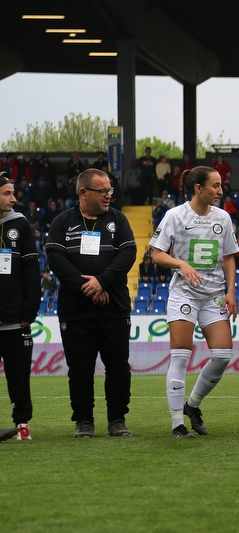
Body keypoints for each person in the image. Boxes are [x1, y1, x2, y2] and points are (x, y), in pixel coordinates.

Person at [46, 169, 137, 437]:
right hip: (75, 309)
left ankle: (117, 420)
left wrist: (103, 282)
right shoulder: (62, 222)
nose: (109, 195)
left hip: (114, 306)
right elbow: (55, 258)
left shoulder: (118, 220)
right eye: (103, 191)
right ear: (83, 193)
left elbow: (128, 254)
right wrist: (87, 286)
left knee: (118, 366)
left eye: (110, 190)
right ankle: (84, 421)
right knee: (80, 368)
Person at [150, 166, 239, 438]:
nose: (220, 191)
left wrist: (232, 291)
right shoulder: (174, 216)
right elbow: (156, 254)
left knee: (223, 355)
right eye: (215, 186)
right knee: (181, 355)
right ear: (198, 188)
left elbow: (228, 256)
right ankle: (178, 423)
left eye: (221, 185)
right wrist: (181, 263)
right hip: (184, 294)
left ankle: (192, 405)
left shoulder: (223, 218)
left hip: (213, 296)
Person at [0, 173, 41, 441]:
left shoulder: (20, 225)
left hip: (15, 319)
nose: (14, 198)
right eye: (7, 193)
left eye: (13, 192)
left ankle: (22, 425)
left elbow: (31, 272)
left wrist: (30, 310)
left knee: (18, 376)